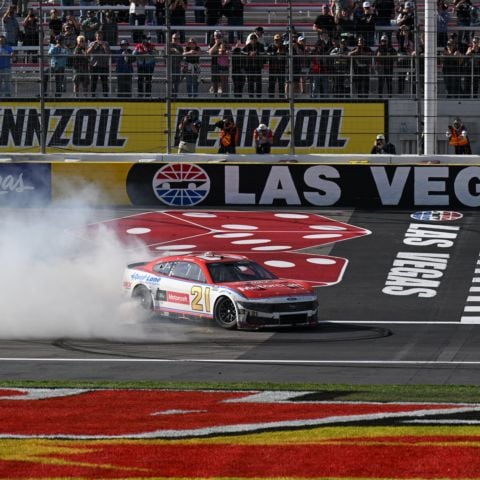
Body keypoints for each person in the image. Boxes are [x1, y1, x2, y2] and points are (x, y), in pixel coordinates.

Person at [87, 31, 111, 97]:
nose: (99, 37)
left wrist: (104, 46)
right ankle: (93, 96)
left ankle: (105, 96)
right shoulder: (92, 43)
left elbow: (108, 54)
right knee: (93, 82)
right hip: (94, 66)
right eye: (97, 36)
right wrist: (93, 46)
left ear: (102, 36)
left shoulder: (106, 43)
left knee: (105, 82)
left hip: (104, 66)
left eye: (100, 36)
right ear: (95, 36)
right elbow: (87, 53)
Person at [242, 33, 265, 98]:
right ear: (250, 40)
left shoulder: (260, 45)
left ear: (256, 39)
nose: (254, 41)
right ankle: (251, 95)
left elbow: (263, 52)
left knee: (258, 81)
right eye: (252, 39)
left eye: (255, 39)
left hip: (257, 66)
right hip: (249, 67)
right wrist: (249, 53)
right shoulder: (248, 46)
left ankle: (259, 95)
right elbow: (242, 52)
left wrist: (256, 53)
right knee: (250, 81)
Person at [267, 33, 287, 98]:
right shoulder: (271, 46)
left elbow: (287, 55)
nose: (277, 41)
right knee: (271, 84)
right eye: (276, 40)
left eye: (278, 40)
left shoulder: (284, 47)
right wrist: (274, 54)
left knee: (281, 84)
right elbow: (267, 54)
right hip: (273, 68)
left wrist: (282, 54)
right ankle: (271, 98)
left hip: (281, 68)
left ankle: (281, 98)